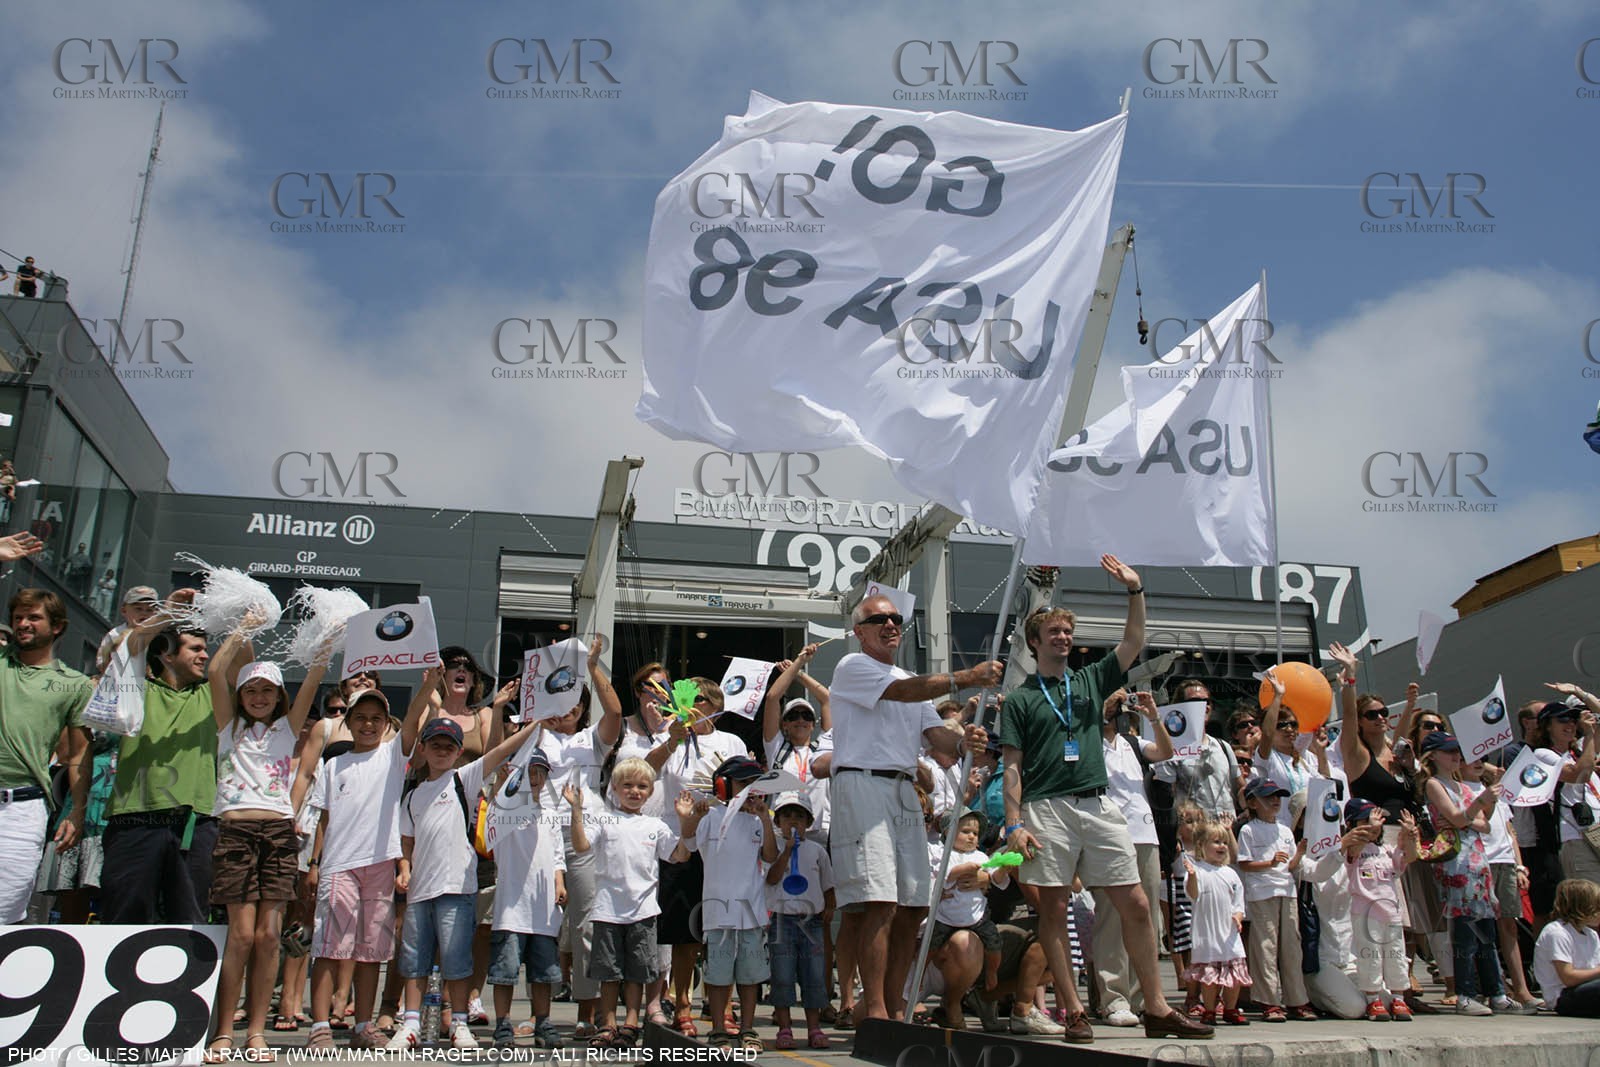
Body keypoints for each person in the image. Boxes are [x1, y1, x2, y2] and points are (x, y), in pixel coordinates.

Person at [999, 554, 1212, 1043]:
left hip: (1097, 803)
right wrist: (1014, 824)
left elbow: (1134, 641)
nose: (1063, 638)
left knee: (1136, 903)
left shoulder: (1091, 680)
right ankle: (1074, 1010)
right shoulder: (1022, 698)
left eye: (1066, 632)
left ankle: (1156, 1007)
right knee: (1053, 911)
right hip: (1046, 806)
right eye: (1052, 632)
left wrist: (1135, 590)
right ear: (1034, 642)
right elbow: (1011, 766)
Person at [827, 591, 994, 1023]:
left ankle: (892, 1002)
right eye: (878, 618)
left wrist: (963, 743)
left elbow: (937, 738)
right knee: (879, 902)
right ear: (858, 631)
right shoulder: (853, 667)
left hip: (903, 791)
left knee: (915, 905)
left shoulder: (910, 680)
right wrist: (966, 676)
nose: (890, 624)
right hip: (862, 785)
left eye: (896, 618)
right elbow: (901, 692)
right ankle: (879, 1010)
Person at [388, 697, 528, 1052]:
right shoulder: (412, 795)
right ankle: (411, 1025)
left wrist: (535, 724)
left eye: (448, 746)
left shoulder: (463, 780)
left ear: (458, 751)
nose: (441, 751)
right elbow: (406, 840)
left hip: (456, 887)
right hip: (420, 891)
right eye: (434, 744)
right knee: (414, 960)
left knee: (457, 960)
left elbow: (499, 753)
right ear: (422, 748)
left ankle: (460, 1023)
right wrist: (404, 868)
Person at [204, 653, 317, 1063]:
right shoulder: (228, 726)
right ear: (239, 696)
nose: (258, 696)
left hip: (278, 834)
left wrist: (327, 636)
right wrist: (242, 628)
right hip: (236, 833)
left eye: (267, 689)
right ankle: (222, 1032)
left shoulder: (288, 728)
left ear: (279, 696)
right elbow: (217, 670)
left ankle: (255, 1032)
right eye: (250, 689)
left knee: (270, 937)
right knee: (242, 936)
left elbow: (316, 672)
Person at [303, 686, 427, 1052]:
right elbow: (323, 820)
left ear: (386, 723)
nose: (368, 725)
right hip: (339, 865)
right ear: (348, 722)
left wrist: (429, 685)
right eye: (360, 718)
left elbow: (413, 722)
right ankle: (321, 1024)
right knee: (329, 948)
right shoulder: (332, 764)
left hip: (379, 866)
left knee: (371, 951)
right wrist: (314, 863)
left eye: (376, 719)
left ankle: (362, 1024)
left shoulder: (392, 756)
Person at [102, 597, 225, 923]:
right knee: (123, 922)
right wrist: (167, 611)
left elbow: (237, 664)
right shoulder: (136, 691)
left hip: (195, 825)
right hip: (134, 822)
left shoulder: (211, 695)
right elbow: (129, 647)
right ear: (167, 654)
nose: (205, 655)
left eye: (205, 648)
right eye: (195, 649)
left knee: (190, 925)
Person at [527, 632, 622, 1041]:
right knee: (537, 924)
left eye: (572, 702)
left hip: (585, 836)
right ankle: (540, 1015)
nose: (563, 710)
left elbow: (616, 712)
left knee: (586, 926)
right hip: (538, 835)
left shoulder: (590, 741)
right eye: (556, 701)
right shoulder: (532, 735)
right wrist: (535, 717)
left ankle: (589, 1012)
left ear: (581, 707)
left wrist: (592, 667)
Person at [566, 760, 693, 1050]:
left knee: (638, 973)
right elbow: (582, 846)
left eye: (642, 786)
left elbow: (680, 855)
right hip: (608, 909)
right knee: (609, 974)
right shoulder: (604, 819)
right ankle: (608, 1024)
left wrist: (685, 822)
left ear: (650, 792)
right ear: (615, 788)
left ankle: (631, 1023)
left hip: (644, 911)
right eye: (628, 785)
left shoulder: (655, 826)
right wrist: (575, 810)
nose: (634, 791)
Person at [645, 677, 748, 1032]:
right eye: (685, 699)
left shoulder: (730, 741)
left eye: (698, 699)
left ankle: (723, 1005)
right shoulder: (669, 735)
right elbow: (647, 772)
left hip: (721, 845)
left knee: (722, 927)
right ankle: (683, 1004)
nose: (689, 706)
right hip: (682, 843)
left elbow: (743, 785)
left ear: (714, 707)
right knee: (685, 932)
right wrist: (672, 740)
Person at [0, 576, 92, 924]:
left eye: (34, 617)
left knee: (5, 916)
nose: (23, 623)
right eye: (18, 616)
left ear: (58, 627)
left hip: (21, 813)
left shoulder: (74, 683)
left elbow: (80, 753)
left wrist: (77, 811)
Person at [1093, 686, 1173, 1027]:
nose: (1119, 706)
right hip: (1109, 835)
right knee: (1112, 917)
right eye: (1112, 700)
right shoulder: (1086, 740)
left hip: (1145, 835)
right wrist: (1101, 711)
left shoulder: (1131, 742)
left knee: (1148, 918)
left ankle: (1146, 997)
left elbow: (1166, 753)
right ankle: (1114, 997)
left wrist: (1153, 715)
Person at [692, 756, 778, 1055]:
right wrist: (693, 815)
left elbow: (770, 856)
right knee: (718, 975)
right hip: (718, 913)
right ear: (723, 785)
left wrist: (765, 817)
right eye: (743, 783)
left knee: (750, 975)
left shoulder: (758, 820)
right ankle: (718, 1028)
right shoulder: (711, 818)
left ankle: (747, 1027)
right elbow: (689, 844)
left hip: (751, 912)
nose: (749, 790)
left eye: (753, 784)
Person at [1416, 731, 1504, 1016]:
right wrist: (1476, 808)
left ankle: (1495, 991)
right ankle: (1465, 993)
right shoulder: (1434, 783)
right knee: (1465, 929)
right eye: (1449, 751)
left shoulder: (1459, 785)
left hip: (1477, 861)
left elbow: (1483, 823)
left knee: (1486, 930)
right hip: (1456, 862)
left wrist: (1475, 810)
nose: (1456, 756)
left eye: (1457, 751)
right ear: (1433, 755)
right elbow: (1456, 818)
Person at [485, 745, 568, 1050]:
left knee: (544, 973)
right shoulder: (506, 811)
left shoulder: (550, 814)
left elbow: (558, 855)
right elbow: (492, 808)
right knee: (504, 973)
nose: (533, 778)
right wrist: (501, 782)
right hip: (511, 908)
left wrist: (560, 884)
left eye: (539, 772)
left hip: (544, 909)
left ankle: (543, 1021)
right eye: (528, 771)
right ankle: (503, 1024)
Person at [926, 810, 1010, 1031]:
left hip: (976, 917)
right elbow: (944, 879)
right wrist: (961, 870)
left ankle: (991, 971)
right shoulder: (944, 854)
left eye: (975, 832)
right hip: (946, 917)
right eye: (965, 831)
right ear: (948, 832)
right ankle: (920, 975)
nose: (972, 837)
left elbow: (997, 880)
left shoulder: (981, 857)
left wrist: (1005, 867)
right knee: (929, 946)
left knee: (994, 945)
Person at [1470, 755, 1543, 1012]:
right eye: (1474, 759)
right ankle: (1497, 985)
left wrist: (1519, 864)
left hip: (1505, 862)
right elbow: (1482, 820)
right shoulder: (1472, 791)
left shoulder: (1500, 794)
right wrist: (1490, 790)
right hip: (1483, 862)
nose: (1481, 763)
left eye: (1483, 759)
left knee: (1510, 925)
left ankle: (1521, 988)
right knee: (1485, 928)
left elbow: (1510, 832)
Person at [1237, 778, 1311, 1021]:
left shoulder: (1285, 830)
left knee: (1291, 947)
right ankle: (1269, 1001)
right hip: (1262, 892)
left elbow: (1289, 865)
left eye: (1277, 796)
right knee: (1265, 946)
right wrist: (1270, 863)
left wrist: (1299, 854)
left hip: (1286, 890)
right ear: (1252, 803)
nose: (1275, 801)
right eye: (1268, 797)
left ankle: (1296, 999)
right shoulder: (1249, 829)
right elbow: (1245, 864)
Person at [765, 792, 834, 1050]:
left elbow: (828, 883)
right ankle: (785, 1027)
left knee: (813, 975)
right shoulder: (773, 849)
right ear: (779, 821)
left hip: (811, 921)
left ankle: (814, 1027)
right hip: (782, 921)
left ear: (808, 822)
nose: (793, 822)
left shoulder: (817, 851)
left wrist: (830, 906)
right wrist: (787, 852)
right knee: (782, 975)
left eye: (799, 817)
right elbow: (771, 879)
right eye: (787, 817)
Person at [1341, 799, 1419, 1022]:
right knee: (1371, 956)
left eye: (1377, 821)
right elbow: (1352, 850)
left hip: (1391, 913)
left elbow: (1410, 857)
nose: (1375, 825)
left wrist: (1410, 835)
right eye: (1365, 820)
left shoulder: (1385, 850)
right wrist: (1369, 830)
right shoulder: (1354, 849)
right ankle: (1372, 997)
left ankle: (1398, 996)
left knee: (1395, 955)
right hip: (1366, 912)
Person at [1531, 686, 1600, 885]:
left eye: (1572, 719)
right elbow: (1579, 774)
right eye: (1562, 720)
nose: (1570, 724)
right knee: (1592, 899)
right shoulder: (1542, 755)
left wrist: (1580, 693)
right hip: (1576, 836)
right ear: (1546, 726)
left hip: (1596, 828)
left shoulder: (1578, 750)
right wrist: (1588, 735)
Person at [762, 647, 832, 844]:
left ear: (813, 723)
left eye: (806, 716)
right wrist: (797, 663)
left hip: (819, 830)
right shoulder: (777, 749)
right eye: (793, 716)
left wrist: (799, 672)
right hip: (780, 831)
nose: (800, 720)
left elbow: (826, 699)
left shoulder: (824, 748)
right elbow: (772, 698)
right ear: (784, 723)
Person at [1183, 821, 1250, 1025]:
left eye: (1224, 842)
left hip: (1228, 932)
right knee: (1210, 976)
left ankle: (1230, 1008)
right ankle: (1210, 1009)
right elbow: (1192, 894)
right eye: (1216, 842)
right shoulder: (1198, 871)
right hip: (1207, 933)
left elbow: (1239, 903)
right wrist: (1192, 876)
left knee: (1234, 972)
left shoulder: (1231, 873)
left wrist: (1238, 917)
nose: (1222, 846)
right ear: (1202, 845)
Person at [1154, 680, 1239, 823]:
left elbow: (1238, 788)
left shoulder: (1223, 747)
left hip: (1227, 834)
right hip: (1194, 834)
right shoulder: (1170, 751)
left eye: (1207, 701)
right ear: (1180, 706)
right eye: (1195, 701)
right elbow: (1165, 798)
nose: (1204, 706)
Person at [1531, 879, 1600, 1016]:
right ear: (1582, 907)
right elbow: (1568, 978)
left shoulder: (1591, 934)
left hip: (1586, 988)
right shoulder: (1557, 933)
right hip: (1563, 996)